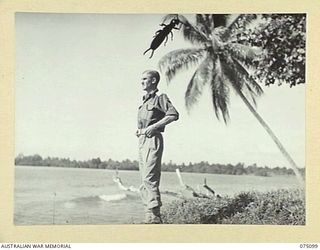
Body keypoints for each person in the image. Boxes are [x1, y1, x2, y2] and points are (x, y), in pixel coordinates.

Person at [136, 70, 179, 224]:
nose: (142, 82)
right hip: (142, 140)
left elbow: (173, 114)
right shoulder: (145, 102)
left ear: (154, 80)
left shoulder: (160, 98)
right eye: (141, 79)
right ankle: (148, 214)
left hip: (152, 139)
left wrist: (154, 127)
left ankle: (154, 216)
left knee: (150, 177)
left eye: (145, 79)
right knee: (143, 179)